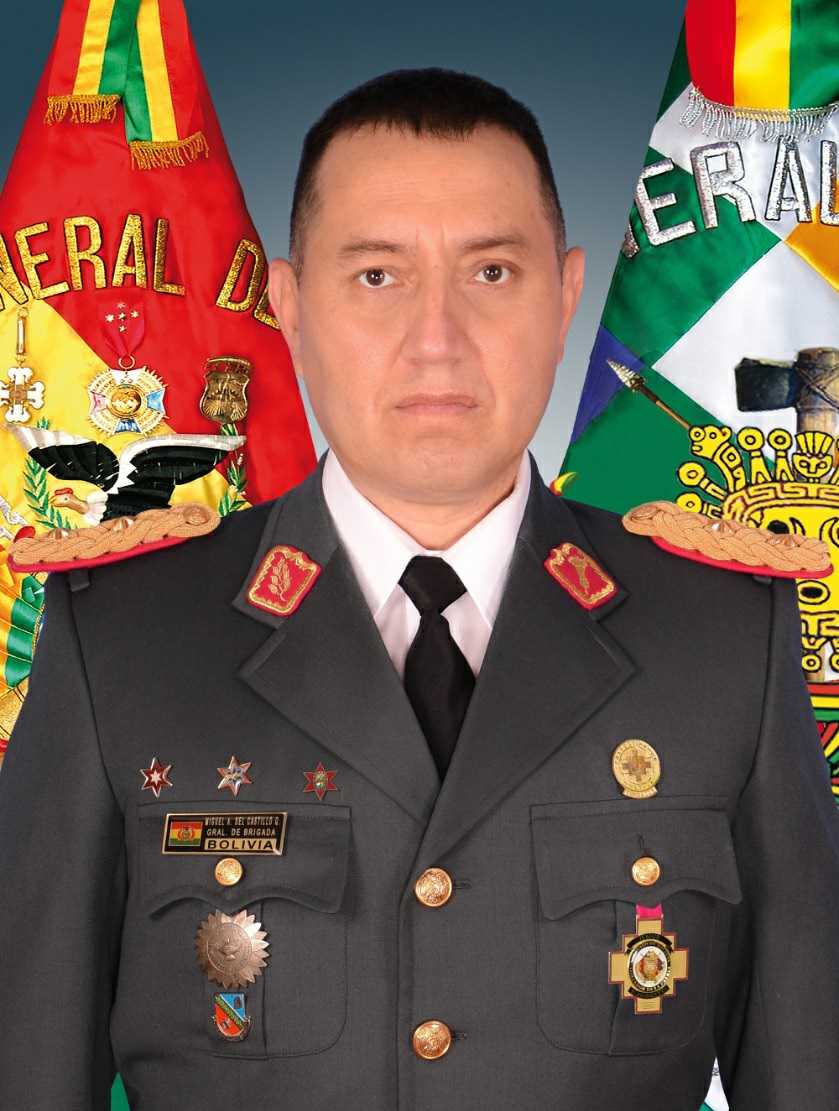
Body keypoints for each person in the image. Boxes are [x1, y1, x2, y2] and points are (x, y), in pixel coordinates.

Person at [1, 66, 838, 1111]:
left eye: (490, 271)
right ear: (288, 306)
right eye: (376, 276)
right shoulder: (123, 640)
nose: (435, 339)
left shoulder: (722, 638)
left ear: (564, 296)